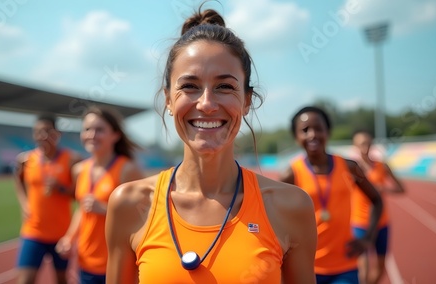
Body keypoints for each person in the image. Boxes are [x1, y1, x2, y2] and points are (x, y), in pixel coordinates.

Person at [105, 7, 317, 284]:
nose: (206, 103)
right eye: (190, 86)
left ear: (246, 100)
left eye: (225, 87)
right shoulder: (129, 204)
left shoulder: (291, 206)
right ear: (168, 99)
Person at [279, 106, 384, 284]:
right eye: (305, 130)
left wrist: (368, 238)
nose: (312, 134)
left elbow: (377, 200)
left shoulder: (350, 167)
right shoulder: (291, 174)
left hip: (345, 266)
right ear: (296, 137)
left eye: (318, 128)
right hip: (306, 268)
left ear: (328, 132)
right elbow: (277, 218)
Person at [55, 106, 143, 284]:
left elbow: (143, 216)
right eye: (87, 129)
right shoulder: (79, 170)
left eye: (100, 130)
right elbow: (83, 209)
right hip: (85, 260)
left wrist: (104, 209)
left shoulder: (127, 170)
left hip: (117, 263)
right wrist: (69, 238)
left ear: (115, 135)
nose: (92, 135)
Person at [14, 114, 81, 284]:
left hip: (61, 233)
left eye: (46, 131)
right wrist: (24, 204)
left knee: (61, 280)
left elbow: (78, 195)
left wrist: (61, 188)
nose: (42, 136)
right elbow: (19, 181)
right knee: (25, 280)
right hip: (33, 230)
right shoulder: (25, 160)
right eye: (37, 132)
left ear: (56, 133)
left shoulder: (72, 160)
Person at [351, 129, 405, 284]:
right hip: (360, 223)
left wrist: (384, 189)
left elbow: (401, 188)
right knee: (363, 270)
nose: (365, 147)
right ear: (355, 146)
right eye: (361, 144)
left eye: (368, 143)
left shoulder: (382, 166)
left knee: (380, 269)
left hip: (381, 223)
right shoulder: (352, 169)